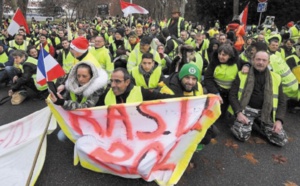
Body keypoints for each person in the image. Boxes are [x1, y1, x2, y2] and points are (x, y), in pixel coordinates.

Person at [229, 51, 288, 147]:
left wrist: (279, 120)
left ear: (268, 63)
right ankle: (250, 123)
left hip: (266, 111)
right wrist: (238, 113)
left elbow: (282, 101)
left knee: (281, 140)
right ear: (253, 60)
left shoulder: (276, 78)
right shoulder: (242, 74)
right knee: (242, 136)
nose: (261, 62)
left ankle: (256, 124)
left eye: (264, 60)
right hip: (247, 109)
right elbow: (232, 95)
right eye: (258, 59)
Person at [96, 68, 175, 106]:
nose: (113, 85)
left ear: (127, 82)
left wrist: (186, 100)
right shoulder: (105, 95)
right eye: (111, 81)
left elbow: (165, 98)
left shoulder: (141, 92)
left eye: (117, 81)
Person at [204, 44, 240, 115]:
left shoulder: (237, 63)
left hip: (228, 95)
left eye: (224, 55)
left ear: (229, 56)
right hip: (215, 91)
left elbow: (246, 63)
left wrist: (246, 66)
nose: (220, 56)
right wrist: (216, 93)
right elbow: (208, 78)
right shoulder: (214, 63)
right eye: (219, 54)